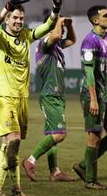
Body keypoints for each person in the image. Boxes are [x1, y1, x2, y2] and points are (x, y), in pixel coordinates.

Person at [0, 0, 61, 196]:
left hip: (21, 98)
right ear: (8, 19)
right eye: (14, 18)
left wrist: (56, 8)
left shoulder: (27, 36)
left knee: (10, 146)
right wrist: (7, 5)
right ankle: (4, 190)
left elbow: (48, 26)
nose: (18, 21)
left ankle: (8, 190)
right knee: (14, 140)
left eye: (21, 18)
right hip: (4, 96)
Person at [22, 16, 76, 182]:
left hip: (57, 96)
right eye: (59, 29)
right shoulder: (44, 44)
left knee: (53, 133)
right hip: (50, 96)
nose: (61, 34)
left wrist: (70, 26)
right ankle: (30, 160)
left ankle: (55, 172)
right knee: (60, 134)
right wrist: (58, 21)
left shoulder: (57, 46)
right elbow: (53, 36)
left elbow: (72, 40)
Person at [72, 5, 107, 190]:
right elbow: (89, 72)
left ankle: (83, 166)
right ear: (95, 20)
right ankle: (90, 180)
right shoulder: (89, 42)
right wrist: (93, 98)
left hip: (106, 94)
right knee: (94, 137)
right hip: (93, 96)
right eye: (105, 15)